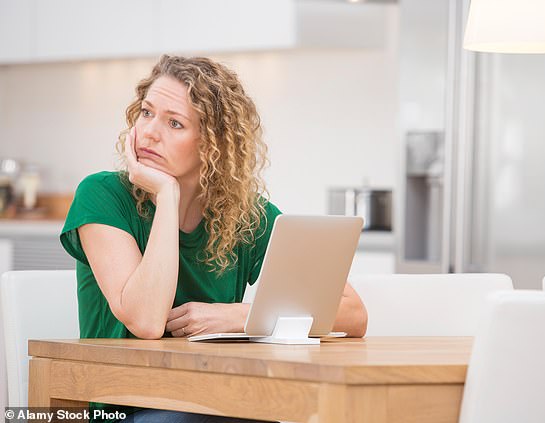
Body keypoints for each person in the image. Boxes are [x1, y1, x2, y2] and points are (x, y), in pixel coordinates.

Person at [60, 55, 367, 422]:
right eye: (146, 112)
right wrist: (167, 197)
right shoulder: (102, 195)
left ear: (211, 144)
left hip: (217, 400)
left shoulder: (245, 215)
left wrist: (240, 317)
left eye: (174, 123)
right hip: (123, 406)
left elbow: (353, 313)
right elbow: (145, 320)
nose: (150, 132)